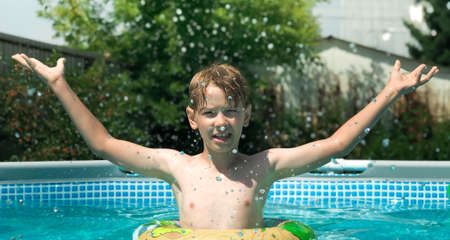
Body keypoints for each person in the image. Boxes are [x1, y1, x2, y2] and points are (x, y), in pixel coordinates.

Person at [11, 54, 439, 230]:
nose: (221, 121)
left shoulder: (264, 167)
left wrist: (390, 93)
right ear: (192, 119)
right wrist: (59, 84)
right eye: (211, 113)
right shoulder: (176, 167)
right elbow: (103, 143)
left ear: (246, 117)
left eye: (231, 111)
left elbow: (336, 145)